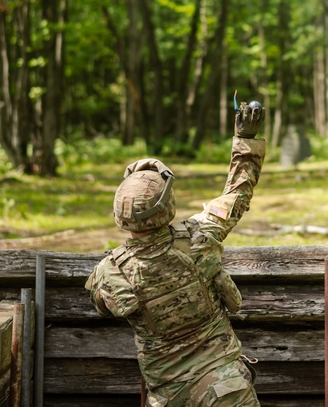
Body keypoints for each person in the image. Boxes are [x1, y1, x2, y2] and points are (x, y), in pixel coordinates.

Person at [85, 101, 266, 407]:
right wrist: (245, 138)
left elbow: (104, 307)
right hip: (225, 385)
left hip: (168, 395)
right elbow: (238, 192)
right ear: (167, 205)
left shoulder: (109, 271)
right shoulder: (201, 235)